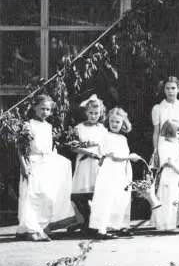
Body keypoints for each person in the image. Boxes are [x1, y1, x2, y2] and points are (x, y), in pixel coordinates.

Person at [16, 95, 75, 242]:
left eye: (48, 109)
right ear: (34, 107)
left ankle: (40, 227)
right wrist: (24, 166)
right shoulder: (28, 125)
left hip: (47, 164)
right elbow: (20, 149)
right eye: (42, 108)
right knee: (31, 196)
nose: (45, 112)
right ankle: (30, 229)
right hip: (33, 163)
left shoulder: (48, 126)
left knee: (47, 196)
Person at [88, 108, 140, 240]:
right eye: (112, 121)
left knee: (120, 198)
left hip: (121, 171)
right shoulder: (106, 136)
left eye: (117, 122)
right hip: (110, 171)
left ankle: (117, 226)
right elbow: (114, 156)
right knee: (107, 198)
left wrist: (128, 160)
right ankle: (102, 229)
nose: (114, 124)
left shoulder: (123, 138)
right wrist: (130, 158)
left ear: (123, 123)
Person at [68, 94, 108, 233]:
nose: (93, 116)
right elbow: (73, 146)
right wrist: (87, 152)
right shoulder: (79, 128)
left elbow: (105, 146)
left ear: (101, 113)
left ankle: (95, 222)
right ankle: (86, 219)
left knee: (96, 192)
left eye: (96, 113)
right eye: (90, 113)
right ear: (85, 112)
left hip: (97, 162)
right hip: (84, 162)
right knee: (80, 193)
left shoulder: (103, 129)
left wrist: (103, 157)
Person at [151, 119, 179, 232]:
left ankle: (171, 222)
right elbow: (171, 162)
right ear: (170, 132)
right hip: (169, 174)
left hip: (173, 175)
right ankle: (168, 225)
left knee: (174, 198)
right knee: (169, 198)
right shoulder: (165, 145)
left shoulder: (174, 144)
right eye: (178, 133)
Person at [151, 76, 179, 169]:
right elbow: (156, 132)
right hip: (163, 146)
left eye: (173, 88)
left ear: (178, 89)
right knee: (164, 173)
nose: (170, 91)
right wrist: (156, 152)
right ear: (164, 90)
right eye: (167, 88)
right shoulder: (158, 108)